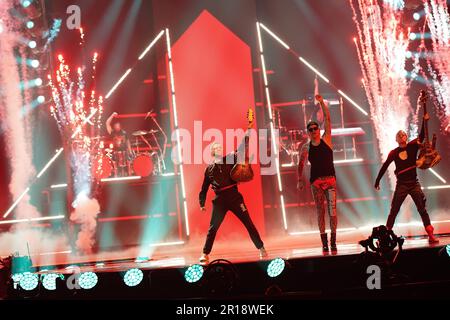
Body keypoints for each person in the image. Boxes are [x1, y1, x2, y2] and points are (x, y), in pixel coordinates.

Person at [198, 133, 267, 264]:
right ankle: (205, 253)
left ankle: (261, 248)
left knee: (248, 223)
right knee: (213, 228)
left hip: (234, 197)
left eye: (220, 147)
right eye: (216, 148)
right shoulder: (209, 169)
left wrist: (246, 136)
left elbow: (240, 149)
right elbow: (204, 188)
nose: (218, 149)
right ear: (212, 152)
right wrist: (201, 203)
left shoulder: (229, 159)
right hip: (219, 200)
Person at [374, 112, 438, 244]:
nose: (401, 135)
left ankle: (431, 235)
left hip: (414, 183)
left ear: (406, 137)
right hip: (402, 184)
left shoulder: (413, 146)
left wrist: (424, 120)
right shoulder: (394, 153)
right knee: (394, 210)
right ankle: (384, 239)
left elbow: (422, 135)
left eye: (403, 134)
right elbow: (385, 166)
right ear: (396, 139)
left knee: (422, 209)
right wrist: (377, 180)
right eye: (399, 135)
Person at [297, 94, 338, 253]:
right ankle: (324, 242)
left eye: (315, 128)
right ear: (308, 132)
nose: (314, 131)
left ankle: (333, 241)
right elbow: (300, 164)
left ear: (319, 130)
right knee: (320, 212)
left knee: (332, 211)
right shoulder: (306, 148)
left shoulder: (326, 139)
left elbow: (327, 119)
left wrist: (321, 102)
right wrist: (300, 179)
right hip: (316, 183)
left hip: (331, 181)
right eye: (311, 129)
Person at [106, 112, 132, 176]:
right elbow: (107, 123)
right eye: (115, 126)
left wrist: (130, 151)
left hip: (124, 151)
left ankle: (128, 175)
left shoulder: (124, 133)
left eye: (118, 126)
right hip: (116, 152)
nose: (116, 127)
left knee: (127, 165)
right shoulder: (112, 132)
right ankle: (116, 176)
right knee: (116, 167)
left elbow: (128, 142)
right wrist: (112, 115)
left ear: (120, 126)